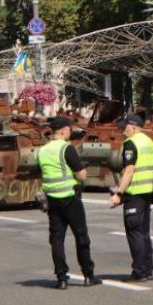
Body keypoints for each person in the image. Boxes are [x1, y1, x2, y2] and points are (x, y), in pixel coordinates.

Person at [38, 117, 99, 289]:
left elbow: (41, 172)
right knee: (81, 236)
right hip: (70, 198)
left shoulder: (42, 150)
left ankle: (62, 278)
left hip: (52, 200)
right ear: (64, 130)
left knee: (57, 239)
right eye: (70, 129)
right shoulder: (67, 148)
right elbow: (82, 175)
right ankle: (88, 275)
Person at [109, 114, 153, 282]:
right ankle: (147, 270)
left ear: (134, 127)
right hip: (146, 191)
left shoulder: (131, 143)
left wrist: (118, 193)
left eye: (125, 127)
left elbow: (129, 170)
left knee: (134, 232)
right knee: (143, 233)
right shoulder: (149, 142)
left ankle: (139, 271)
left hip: (134, 193)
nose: (123, 130)